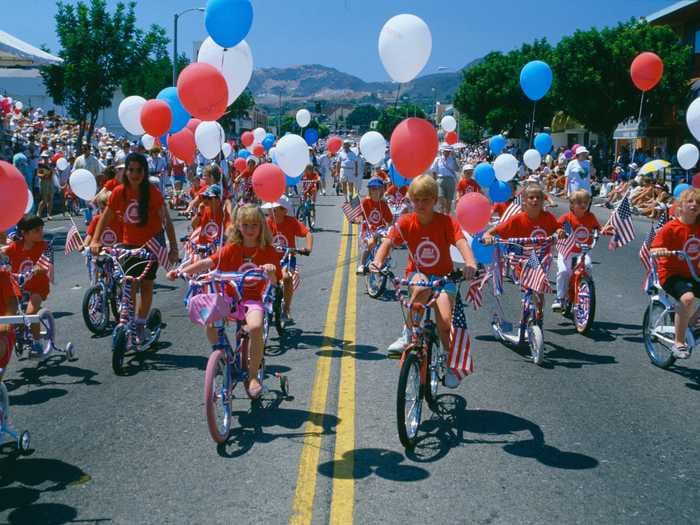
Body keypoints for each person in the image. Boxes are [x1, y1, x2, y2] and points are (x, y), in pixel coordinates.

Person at [371, 175, 477, 387]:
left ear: (435, 199)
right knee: (419, 288)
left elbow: (460, 241)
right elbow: (389, 241)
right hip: (418, 274)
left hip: (444, 278)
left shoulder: (446, 222)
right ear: (410, 199)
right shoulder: (406, 221)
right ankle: (408, 332)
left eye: (426, 199)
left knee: (445, 323)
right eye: (416, 199)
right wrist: (377, 260)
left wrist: (469, 262)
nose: (420, 204)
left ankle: (449, 362)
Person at [168, 204, 281, 398]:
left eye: (254, 225)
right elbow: (207, 262)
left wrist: (270, 272)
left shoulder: (268, 251)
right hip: (230, 298)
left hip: (252, 300)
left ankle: (253, 376)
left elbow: (275, 281)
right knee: (209, 320)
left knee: (255, 327)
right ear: (238, 227)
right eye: (245, 225)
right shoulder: (231, 249)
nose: (250, 229)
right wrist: (181, 271)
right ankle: (221, 356)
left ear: (261, 227)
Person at [89, 153, 178, 342]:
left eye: (139, 170)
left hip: (152, 243)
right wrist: (95, 240)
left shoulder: (152, 193)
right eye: (131, 170)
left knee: (146, 283)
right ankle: (127, 319)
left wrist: (173, 249)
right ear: (125, 172)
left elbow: (167, 222)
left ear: (144, 172)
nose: (134, 174)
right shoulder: (119, 192)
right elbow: (105, 217)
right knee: (129, 283)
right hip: (129, 244)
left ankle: (139, 323)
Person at [483, 183, 564, 313]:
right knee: (530, 285)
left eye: (538, 197)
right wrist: (488, 235)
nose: (535, 200)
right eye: (531, 197)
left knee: (538, 288)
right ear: (524, 201)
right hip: (523, 258)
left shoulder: (547, 217)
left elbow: (557, 227)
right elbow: (495, 230)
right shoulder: (517, 219)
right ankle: (528, 308)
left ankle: (538, 314)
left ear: (543, 200)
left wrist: (559, 231)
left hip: (542, 257)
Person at [650, 187, 700, 359]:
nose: (694, 205)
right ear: (681, 205)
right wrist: (661, 250)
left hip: (693, 273)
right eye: (690, 201)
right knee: (688, 298)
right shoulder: (671, 227)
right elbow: (654, 248)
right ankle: (679, 343)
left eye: (698, 203)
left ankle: (689, 324)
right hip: (671, 274)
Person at [552, 190, 609, 311]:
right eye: (579, 202)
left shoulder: (591, 217)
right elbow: (556, 227)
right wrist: (559, 231)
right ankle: (560, 297)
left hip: (582, 251)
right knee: (563, 272)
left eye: (586, 202)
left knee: (587, 266)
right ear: (572, 204)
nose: (583, 205)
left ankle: (585, 287)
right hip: (567, 250)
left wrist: (603, 230)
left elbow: (598, 228)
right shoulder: (567, 217)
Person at [2, 215, 51, 357]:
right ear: (25, 233)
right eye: (37, 230)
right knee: (9, 312)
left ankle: (36, 342)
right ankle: (15, 332)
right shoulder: (14, 247)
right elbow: (3, 251)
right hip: (19, 286)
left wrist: (35, 270)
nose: (41, 232)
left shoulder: (45, 246)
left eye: (42, 229)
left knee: (30, 313)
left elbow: (45, 264)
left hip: (38, 287)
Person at [264, 196, 313, 325]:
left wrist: (308, 248)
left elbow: (307, 233)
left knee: (286, 277)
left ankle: (286, 309)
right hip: (270, 259)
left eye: (275, 209)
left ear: (284, 210)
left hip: (287, 258)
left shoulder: (291, 222)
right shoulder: (267, 223)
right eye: (270, 209)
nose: (272, 212)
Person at [357, 177, 393, 274]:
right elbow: (360, 215)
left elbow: (390, 220)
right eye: (373, 189)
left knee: (386, 242)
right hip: (368, 229)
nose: (375, 191)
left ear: (382, 190)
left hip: (380, 229)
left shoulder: (383, 204)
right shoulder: (366, 202)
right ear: (370, 190)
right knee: (370, 244)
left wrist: (390, 229)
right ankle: (362, 264)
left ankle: (385, 262)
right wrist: (359, 219)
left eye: (378, 189)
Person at [430, 145, 459, 214]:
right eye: (446, 151)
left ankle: (447, 216)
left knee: (449, 200)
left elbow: (457, 169)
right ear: (442, 151)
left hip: (450, 180)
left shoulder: (452, 159)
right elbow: (434, 171)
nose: (447, 152)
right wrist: (434, 182)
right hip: (440, 180)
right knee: (441, 198)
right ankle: (441, 214)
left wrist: (454, 158)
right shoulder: (438, 159)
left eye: (449, 151)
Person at [35, 151, 55, 220]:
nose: (45, 158)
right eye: (44, 157)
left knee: (50, 199)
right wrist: (45, 175)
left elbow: (53, 172)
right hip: (44, 182)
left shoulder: (50, 164)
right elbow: (38, 174)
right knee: (44, 200)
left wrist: (51, 172)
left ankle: (49, 214)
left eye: (46, 157)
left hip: (50, 182)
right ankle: (38, 213)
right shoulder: (40, 164)